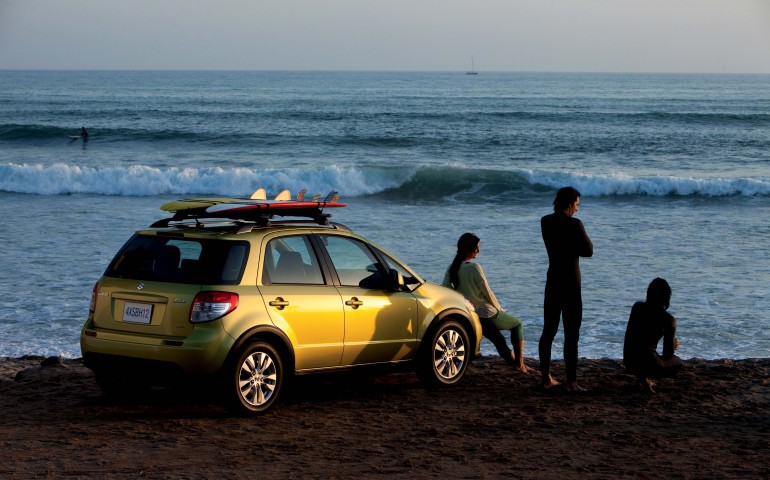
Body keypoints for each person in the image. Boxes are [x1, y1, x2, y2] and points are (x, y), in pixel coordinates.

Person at [442, 233, 532, 373]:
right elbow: (487, 292)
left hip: (471, 314)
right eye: (476, 247)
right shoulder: (474, 267)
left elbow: (446, 289)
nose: (478, 250)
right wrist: (499, 309)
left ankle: (517, 365)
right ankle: (520, 364)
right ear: (467, 249)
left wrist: (464, 299)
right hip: (485, 312)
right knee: (517, 325)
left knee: (498, 340)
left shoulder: (451, 268)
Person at [540, 186, 593, 391]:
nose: (578, 209)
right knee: (571, 335)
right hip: (571, 283)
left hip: (553, 280)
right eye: (577, 204)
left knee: (549, 331)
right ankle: (571, 382)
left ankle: (546, 378)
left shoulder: (545, 221)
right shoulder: (575, 224)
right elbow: (588, 251)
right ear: (570, 203)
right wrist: (575, 241)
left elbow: (556, 244)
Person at [623, 278, 683, 393]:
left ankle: (643, 378)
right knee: (677, 362)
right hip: (651, 364)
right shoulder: (669, 320)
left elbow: (635, 336)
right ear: (666, 297)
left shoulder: (637, 307)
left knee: (641, 350)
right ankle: (646, 377)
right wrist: (673, 345)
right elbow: (668, 354)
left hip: (629, 361)